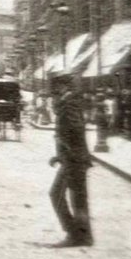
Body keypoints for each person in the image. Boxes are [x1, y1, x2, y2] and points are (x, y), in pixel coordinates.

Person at [49, 72, 94, 247]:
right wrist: (59, 155)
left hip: (74, 159)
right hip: (74, 158)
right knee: (78, 198)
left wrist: (65, 148)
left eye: (57, 87)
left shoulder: (68, 103)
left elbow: (75, 128)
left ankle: (74, 234)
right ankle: (83, 236)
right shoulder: (69, 102)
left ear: (64, 86)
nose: (55, 90)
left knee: (57, 194)